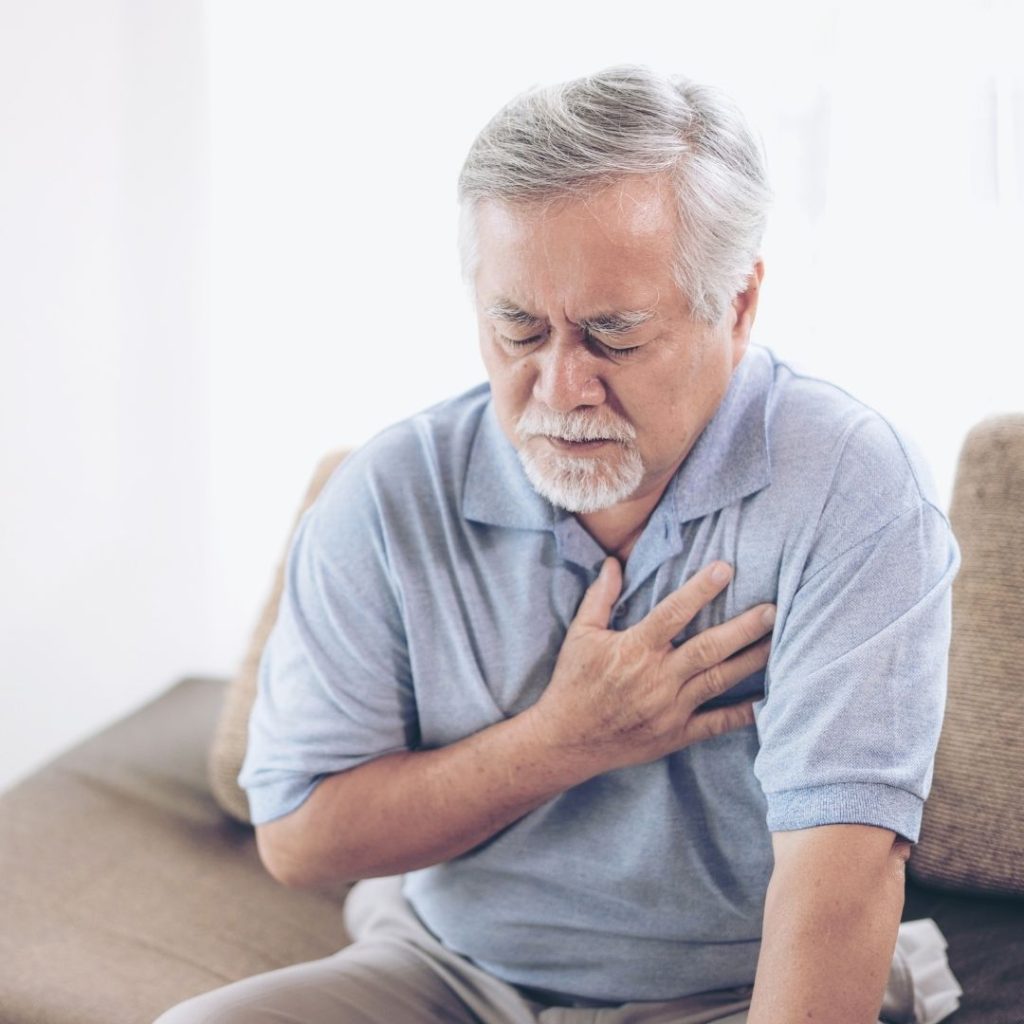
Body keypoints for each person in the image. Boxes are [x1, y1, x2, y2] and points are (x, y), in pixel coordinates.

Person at [158, 66, 962, 1024]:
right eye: (518, 328)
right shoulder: (386, 493)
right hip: (452, 969)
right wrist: (562, 740)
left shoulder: (853, 487)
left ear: (738, 306)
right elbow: (297, 840)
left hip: (731, 990)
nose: (557, 387)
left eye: (613, 335)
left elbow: (841, 881)